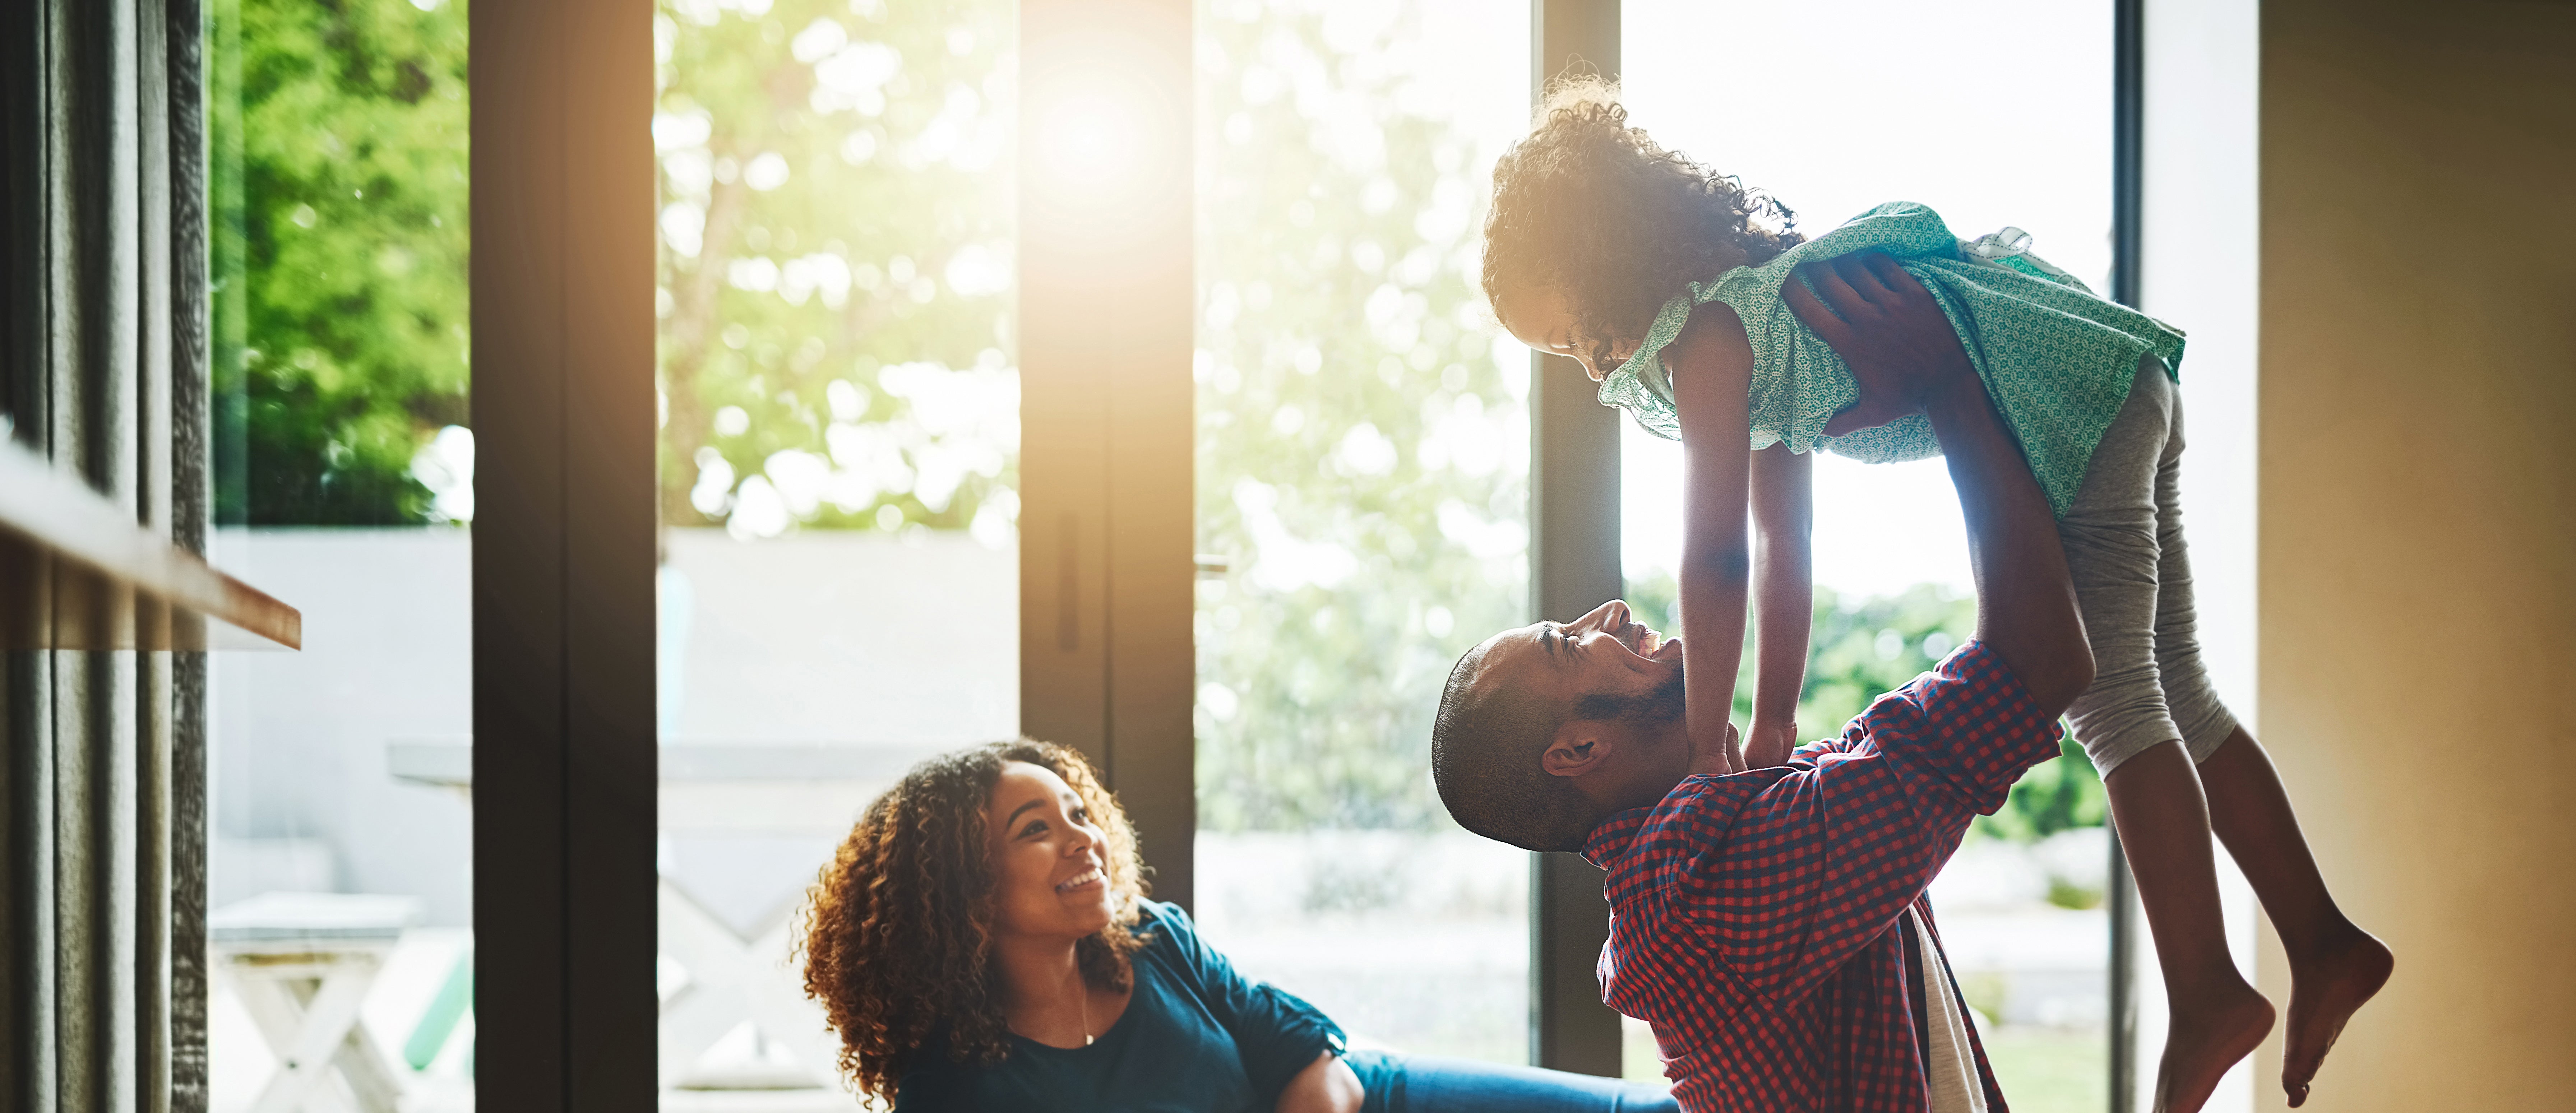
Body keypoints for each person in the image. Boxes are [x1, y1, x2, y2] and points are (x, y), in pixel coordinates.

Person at [1466, 75, 2387, 1112]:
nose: (1593, 363)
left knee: (2121, 702)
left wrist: (1715, 736)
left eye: (1576, 335)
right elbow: (1784, 538)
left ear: (1598, 271)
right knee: (2179, 690)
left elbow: (1721, 551)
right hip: (2108, 381)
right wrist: (1762, 719)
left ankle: (2209, 988)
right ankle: (2319, 935)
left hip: (2059, 405)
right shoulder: (1748, 306)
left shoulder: (1710, 339)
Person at [801, 738, 1680, 1112]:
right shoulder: (957, 1088)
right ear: (968, 888)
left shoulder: (1151, 939)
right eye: (1037, 828)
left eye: (1079, 812)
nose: (1084, 837)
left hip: (1364, 1095)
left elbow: (1306, 1050)